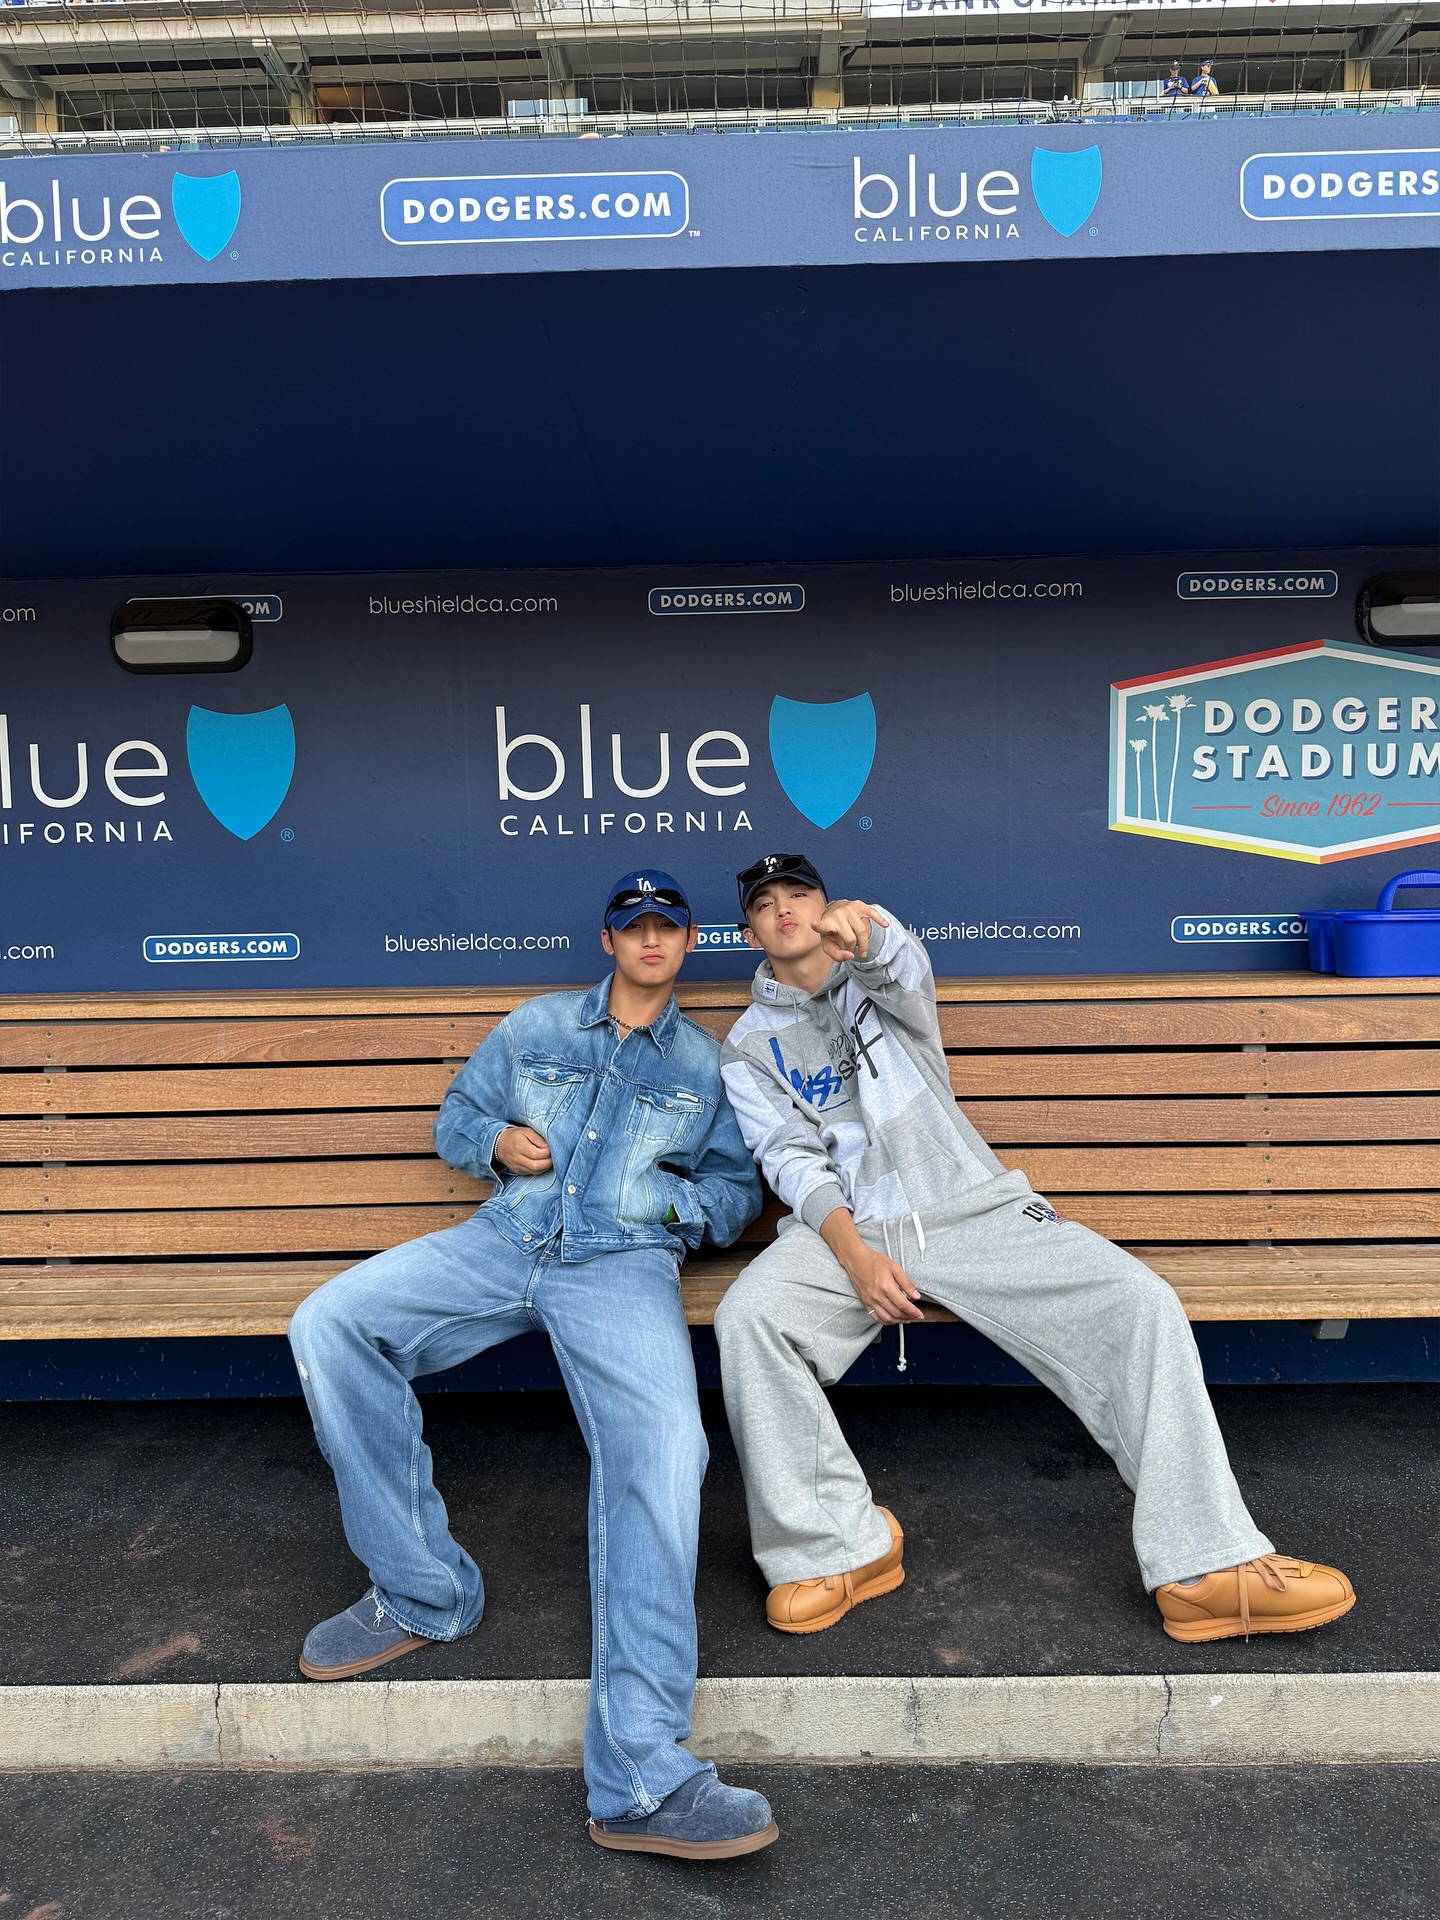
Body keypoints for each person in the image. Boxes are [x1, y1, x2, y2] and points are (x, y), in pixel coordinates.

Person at [714, 852, 1356, 1645]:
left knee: (1138, 1301)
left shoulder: (882, 981)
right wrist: (855, 1256)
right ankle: (839, 1550)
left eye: (800, 894)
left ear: (824, 907)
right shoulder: (747, 1044)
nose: (785, 909)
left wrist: (866, 929)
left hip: (970, 1210)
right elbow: (791, 1161)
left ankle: (1206, 1566)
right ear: (749, 932)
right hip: (850, 1232)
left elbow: (898, 962)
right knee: (752, 1317)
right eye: (765, 903)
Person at [289, 869, 776, 1860]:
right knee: (328, 1322)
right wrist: (496, 1143)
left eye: (668, 927)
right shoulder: (537, 1027)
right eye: (634, 926)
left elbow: (735, 1193)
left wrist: (666, 1209)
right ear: (608, 940)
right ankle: (424, 1591)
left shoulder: (707, 1064)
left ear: (688, 943)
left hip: (621, 1266)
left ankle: (640, 1774)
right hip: (504, 1239)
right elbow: (456, 1118)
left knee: (666, 1448)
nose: (650, 939)